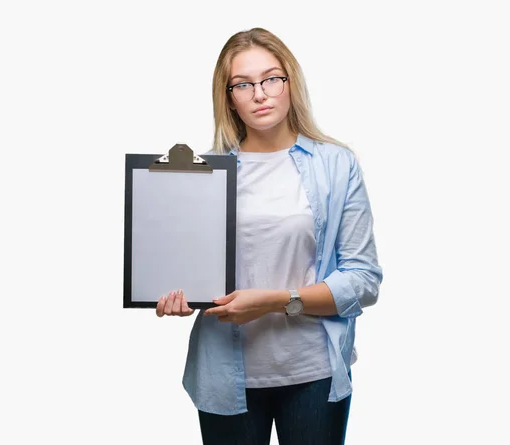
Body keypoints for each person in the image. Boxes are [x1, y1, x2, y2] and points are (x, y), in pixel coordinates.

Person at [155, 27, 383, 445]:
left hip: (312, 371)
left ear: (289, 83)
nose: (259, 94)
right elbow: (188, 268)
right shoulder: (202, 175)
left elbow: (363, 280)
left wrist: (278, 301)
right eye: (243, 84)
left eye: (271, 78)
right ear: (228, 97)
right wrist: (178, 293)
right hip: (224, 373)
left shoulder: (336, 164)